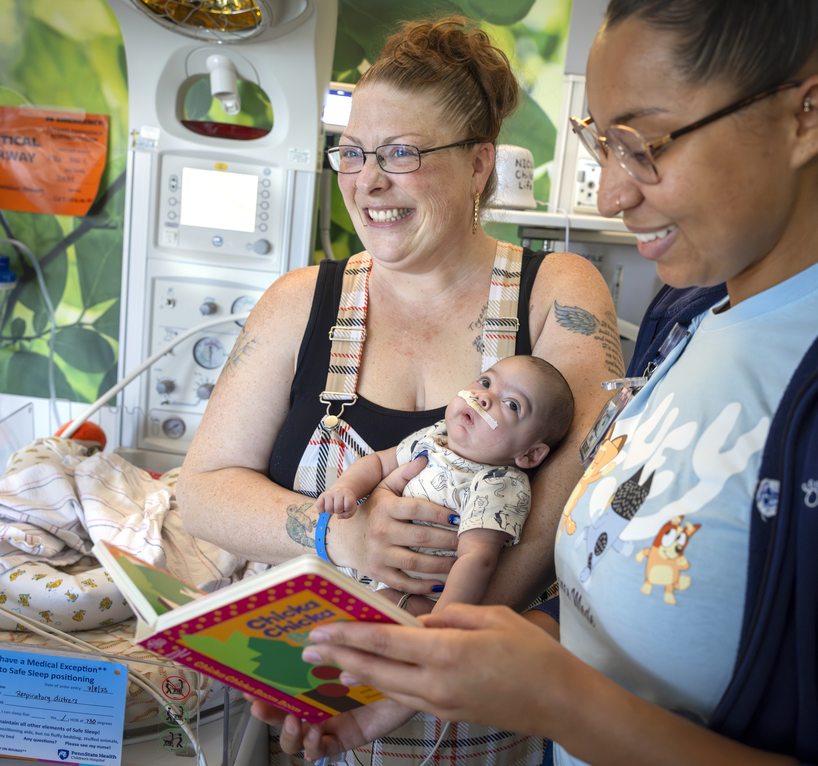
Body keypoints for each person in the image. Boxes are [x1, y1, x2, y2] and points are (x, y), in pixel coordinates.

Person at [268, 1, 818, 764]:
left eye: (643, 144)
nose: (610, 195)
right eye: (601, 143)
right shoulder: (693, 309)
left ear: (805, 117)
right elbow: (619, 607)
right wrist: (430, 678)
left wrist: (558, 699)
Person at [176, 14, 622, 766]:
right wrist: (338, 530)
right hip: (312, 716)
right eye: (351, 153)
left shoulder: (557, 290)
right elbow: (203, 491)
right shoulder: (298, 303)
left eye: (402, 153)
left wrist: (417, 662)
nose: (368, 181)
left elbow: (563, 504)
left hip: (486, 724)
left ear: (479, 164)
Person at [318, 355, 575, 615]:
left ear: (530, 454)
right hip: (363, 566)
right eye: (485, 382)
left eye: (511, 405)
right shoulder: (435, 437)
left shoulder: (499, 484)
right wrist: (346, 489)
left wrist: (443, 617)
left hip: (422, 597)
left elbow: (476, 560)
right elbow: (377, 463)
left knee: (364, 614)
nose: (483, 398)